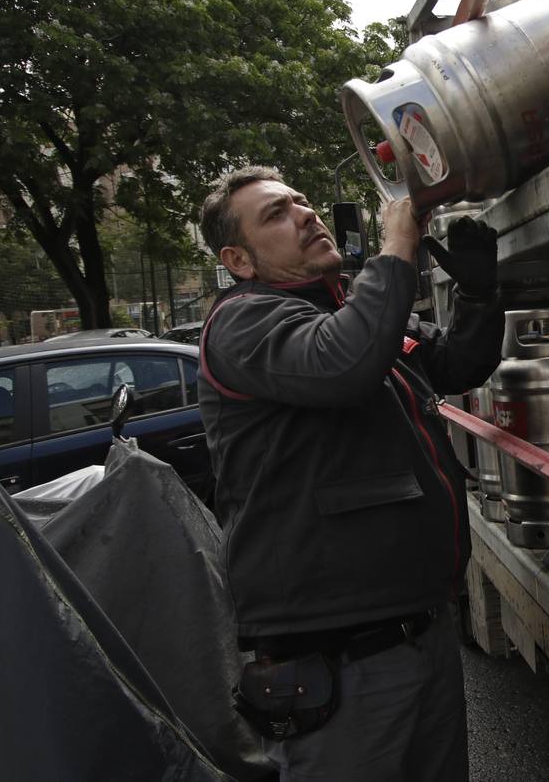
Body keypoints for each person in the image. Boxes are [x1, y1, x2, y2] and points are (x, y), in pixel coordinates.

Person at [196, 165, 502, 781]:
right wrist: (398, 246)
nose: (305, 213)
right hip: (341, 664)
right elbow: (342, 364)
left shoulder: (348, 314)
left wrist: (478, 293)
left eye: (302, 201)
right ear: (240, 259)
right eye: (277, 214)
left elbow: (456, 363)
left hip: (421, 632)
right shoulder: (242, 322)